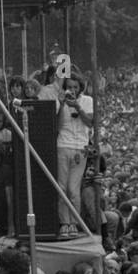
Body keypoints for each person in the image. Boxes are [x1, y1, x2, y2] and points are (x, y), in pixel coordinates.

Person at [54, 74, 95, 236]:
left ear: (80, 88)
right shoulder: (60, 100)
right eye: (69, 87)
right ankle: (64, 222)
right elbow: (56, 126)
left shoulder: (88, 101)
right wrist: (62, 104)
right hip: (63, 145)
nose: (71, 90)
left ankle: (74, 222)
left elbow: (90, 122)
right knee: (62, 187)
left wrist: (77, 106)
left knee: (73, 188)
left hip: (80, 147)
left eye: (75, 87)